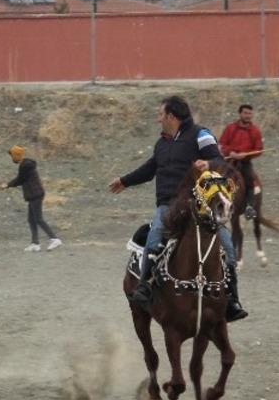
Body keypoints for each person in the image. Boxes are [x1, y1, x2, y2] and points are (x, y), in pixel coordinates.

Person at [108, 95, 247, 321]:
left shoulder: (200, 135)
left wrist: (209, 164)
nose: (158, 118)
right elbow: (150, 168)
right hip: (167, 205)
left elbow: (221, 162)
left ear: (171, 116)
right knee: (154, 237)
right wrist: (125, 181)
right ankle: (144, 288)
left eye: (160, 114)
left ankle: (231, 299)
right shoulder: (162, 143)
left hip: (197, 204)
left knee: (226, 243)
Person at [2, 145, 63, 252]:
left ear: (17, 155)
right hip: (33, 195)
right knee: (31, 219)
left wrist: (7, 185)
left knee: (38, 219)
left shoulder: (25, 166)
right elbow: (21, 180)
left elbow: (19, 180)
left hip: (35, 195)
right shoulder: (26, 164)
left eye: (12, 156)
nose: (12, 158)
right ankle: (35, 243)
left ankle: (54, 238)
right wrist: (8, 185)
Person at [218, 103, 264, 219]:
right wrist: (231, 153)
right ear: (240, 114)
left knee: (249, 180)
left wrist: (247, 154)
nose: (248, 116)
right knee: (216, 178)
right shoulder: (230, 128)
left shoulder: (255, 131)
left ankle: (249, 207)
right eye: (245, 113)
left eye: (250, 114)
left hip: (245, 162)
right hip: (229, 160)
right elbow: (221, 144)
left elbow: (259, 149)